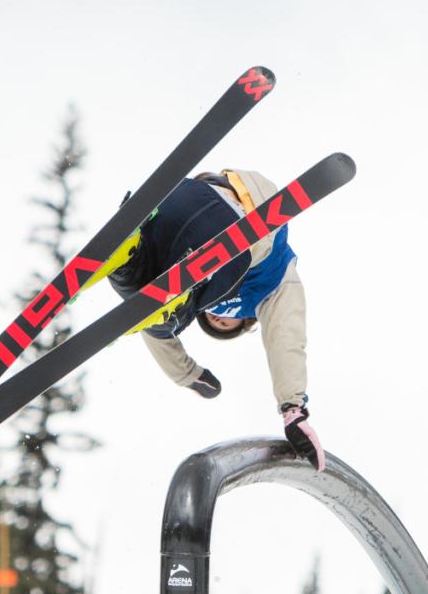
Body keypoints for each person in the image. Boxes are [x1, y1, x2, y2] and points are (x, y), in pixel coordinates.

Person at [107, 169, 324, 470]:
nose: (218, 318)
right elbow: (286, 336)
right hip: (234, 220)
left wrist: (188, 375)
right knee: (174, 308)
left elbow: (149, 324)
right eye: (223, 319)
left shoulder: (197, 291)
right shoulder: (274, 285)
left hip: (176, 207)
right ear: (248, 321)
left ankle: (121, 254)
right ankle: (171, 294)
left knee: (140, 294)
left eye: (214, 320)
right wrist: (292, 408)